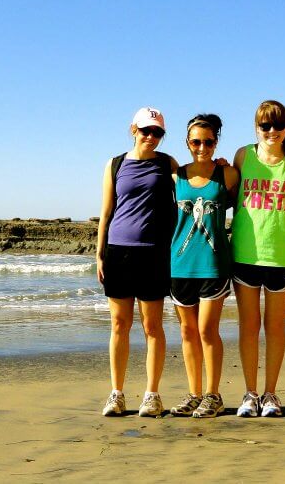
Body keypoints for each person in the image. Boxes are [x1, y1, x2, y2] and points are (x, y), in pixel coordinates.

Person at [97, 107, 178, 417]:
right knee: (119, 325)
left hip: (155, 253)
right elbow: (106, 212)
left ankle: (152, 394)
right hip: (119, 251)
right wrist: (99, 253)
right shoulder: (115, 164)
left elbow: (193, 182)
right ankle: (116, 394)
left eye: (157, 132)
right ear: (133, 129)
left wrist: (219, 167)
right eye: (146, 130)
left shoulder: (166, 163)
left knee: (152, 327)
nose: (150, 137)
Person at [229, 101, 285, 418]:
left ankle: (271, 394)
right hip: (246, 254)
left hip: (284, 255)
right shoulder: (243, 156)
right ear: (256, 128)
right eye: (265, 126)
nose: (271, 131)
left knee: (275, 328)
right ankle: (250, 393)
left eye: (278, 125)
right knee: (249, 327)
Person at [167, 114, 239, 419]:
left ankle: (213, 394)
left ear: (216, 142)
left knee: (208, 330)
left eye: (208, 142)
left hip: (214, 264)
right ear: (187, 142)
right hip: (180, 264)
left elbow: (245, 208)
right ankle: (194, 393)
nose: (202, 147)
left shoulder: (229, 174)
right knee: (187, 332)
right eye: (196, 141)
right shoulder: (176, 176)